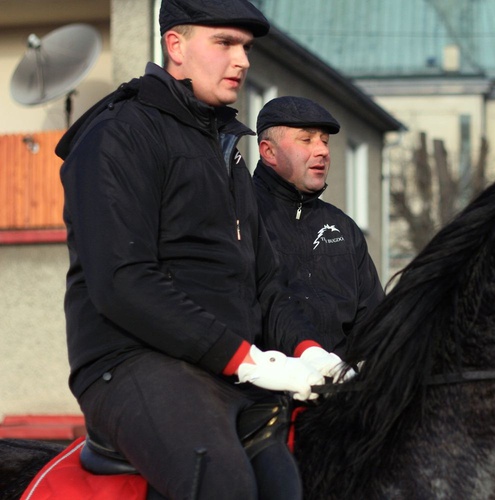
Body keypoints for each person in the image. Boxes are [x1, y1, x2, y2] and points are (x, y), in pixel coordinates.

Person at [55, 1, 345, 498]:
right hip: (131, 362)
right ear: (176, 46)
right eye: (224, 43)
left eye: (246, 48)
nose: (243, 61)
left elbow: (265, 286)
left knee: (297, 481)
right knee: (223, 483)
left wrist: (311, 352)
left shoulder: (225, 150)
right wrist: (248, 359)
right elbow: (122, 282)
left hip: (222, 367)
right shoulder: (119, 134)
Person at [252, 96, 384, 356]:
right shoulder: (239, 215)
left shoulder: (343, 229)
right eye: (307, 139)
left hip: (337, 389)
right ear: (269, 151)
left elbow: (375, 324)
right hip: (257, 391)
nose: (322, 150)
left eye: (325, 141)